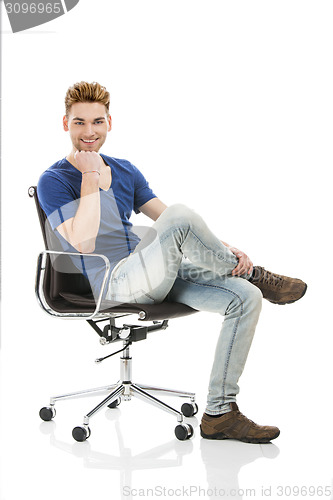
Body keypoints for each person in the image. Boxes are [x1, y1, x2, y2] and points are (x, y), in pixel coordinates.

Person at [37, 81, 307, 444]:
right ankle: (258, 276)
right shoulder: (53, 179)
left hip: (153, 270)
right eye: (80, 123)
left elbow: (172, 224)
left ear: (109, 123)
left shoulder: (125, 170)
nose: (89, 132)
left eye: (97, 122)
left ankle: (219, 414)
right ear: (65, 124)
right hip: (112, 282)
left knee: (245, 297)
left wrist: (231, 251)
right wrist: (88, 175)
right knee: (182, 215)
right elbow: (83, 241)